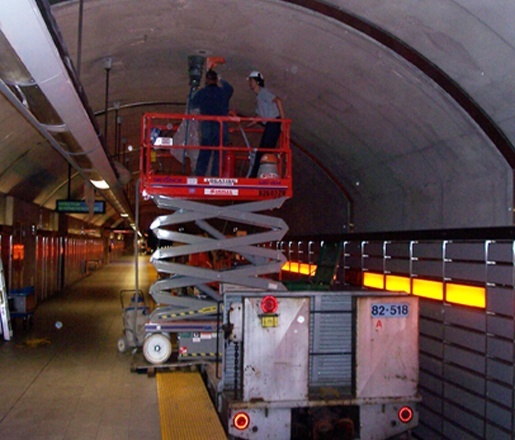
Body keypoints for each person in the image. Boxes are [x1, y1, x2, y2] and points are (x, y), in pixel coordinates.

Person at [190, 69, 233, 176]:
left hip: (207, 126)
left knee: (205, 150)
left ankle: (200, 174)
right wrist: (220, 79)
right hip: (221, 126)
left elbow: (192, 104)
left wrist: (196, 90)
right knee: (219, 151)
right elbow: (230, 88)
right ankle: (215, 175)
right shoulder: (223, 92)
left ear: (207, 80)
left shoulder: (203, 92)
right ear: (215, 79)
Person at [247, 71, 285, 178]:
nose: (250, 83)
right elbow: (258, 117)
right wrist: (242, 124)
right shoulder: (259, 97)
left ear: (257, 81)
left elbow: (278, 100)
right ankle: (255, 175)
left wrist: (282, 121)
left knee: (264, 151)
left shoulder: (263, 93)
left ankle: (254, 177)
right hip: (270, 124)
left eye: (251, 80)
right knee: (263, 151)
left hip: (273, 123)